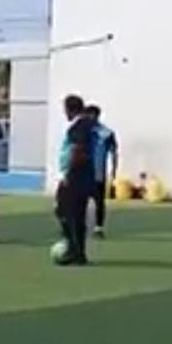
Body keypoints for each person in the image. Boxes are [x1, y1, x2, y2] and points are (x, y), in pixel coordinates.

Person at [55, 95, 97, 265]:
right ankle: (74, 248)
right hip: (80, 176)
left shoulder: (80, 126)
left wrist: (69, 173)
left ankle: (76, 251)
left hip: (76, 177)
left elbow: (78, 150)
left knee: (71, 214)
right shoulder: (85, 125)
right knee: (65, 211)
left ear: (69, 109)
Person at [85, 103, 119, 238]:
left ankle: (98, 228)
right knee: (78, 201)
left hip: (98, 174)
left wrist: (114, 170)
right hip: (82, 173)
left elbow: (114, 152)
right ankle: (77, 226)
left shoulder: (106, 133)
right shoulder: (82, 132)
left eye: (90, 115)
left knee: (99, 201)